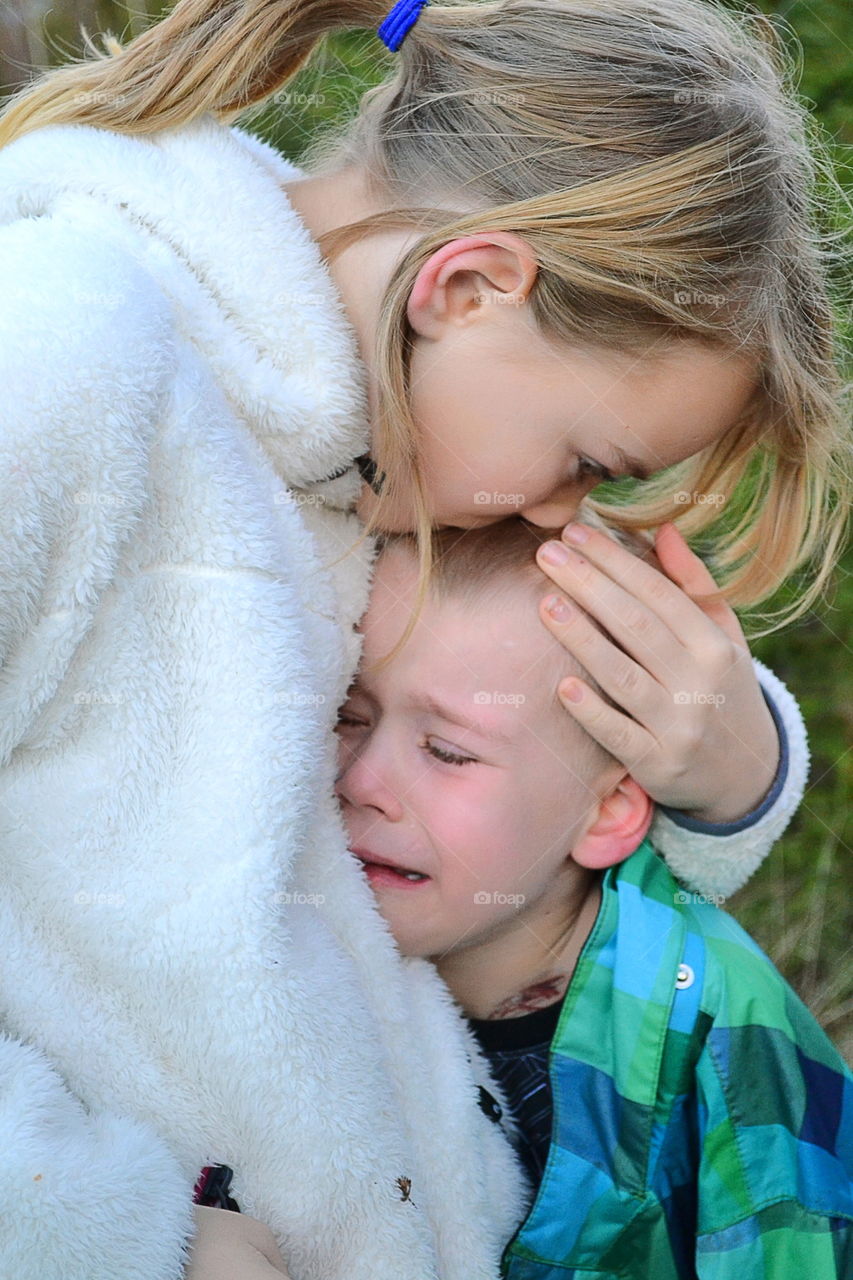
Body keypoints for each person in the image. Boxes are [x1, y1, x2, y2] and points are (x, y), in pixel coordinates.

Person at [0, 0, 846, 1273]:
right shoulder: (64, 361)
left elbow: (513, 818)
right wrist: (116, 1233)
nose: (558, 516)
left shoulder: (359, 455)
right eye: (584, 460)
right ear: (469, 287)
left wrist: (729, 774)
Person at [334, 516, 853, 1278]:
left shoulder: (720, 1048)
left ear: (607, 811)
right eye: (349, 718)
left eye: (447, 751)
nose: (359, 781)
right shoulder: (296, 954)